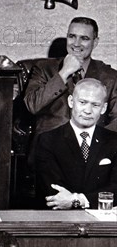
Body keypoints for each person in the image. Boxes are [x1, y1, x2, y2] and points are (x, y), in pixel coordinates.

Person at [24, 17, 117, 134]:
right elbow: (32, 106)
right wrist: (64, 73)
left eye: (84, 38)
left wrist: (97, 142)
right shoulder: (43, 68)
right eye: (72, 36)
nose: (76, 44)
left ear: (95, 42)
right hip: (49, 146)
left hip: (92, 148)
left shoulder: (109, 76)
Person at [36, 78, 117, 209]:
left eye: (95, 105)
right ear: (71, 102)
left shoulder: (114, 141)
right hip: (61, 218)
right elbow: (54, 191)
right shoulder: (48, 140)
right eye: (83, 102)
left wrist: (78, 200)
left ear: (103, 108)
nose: (88, 110)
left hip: (101, 218)